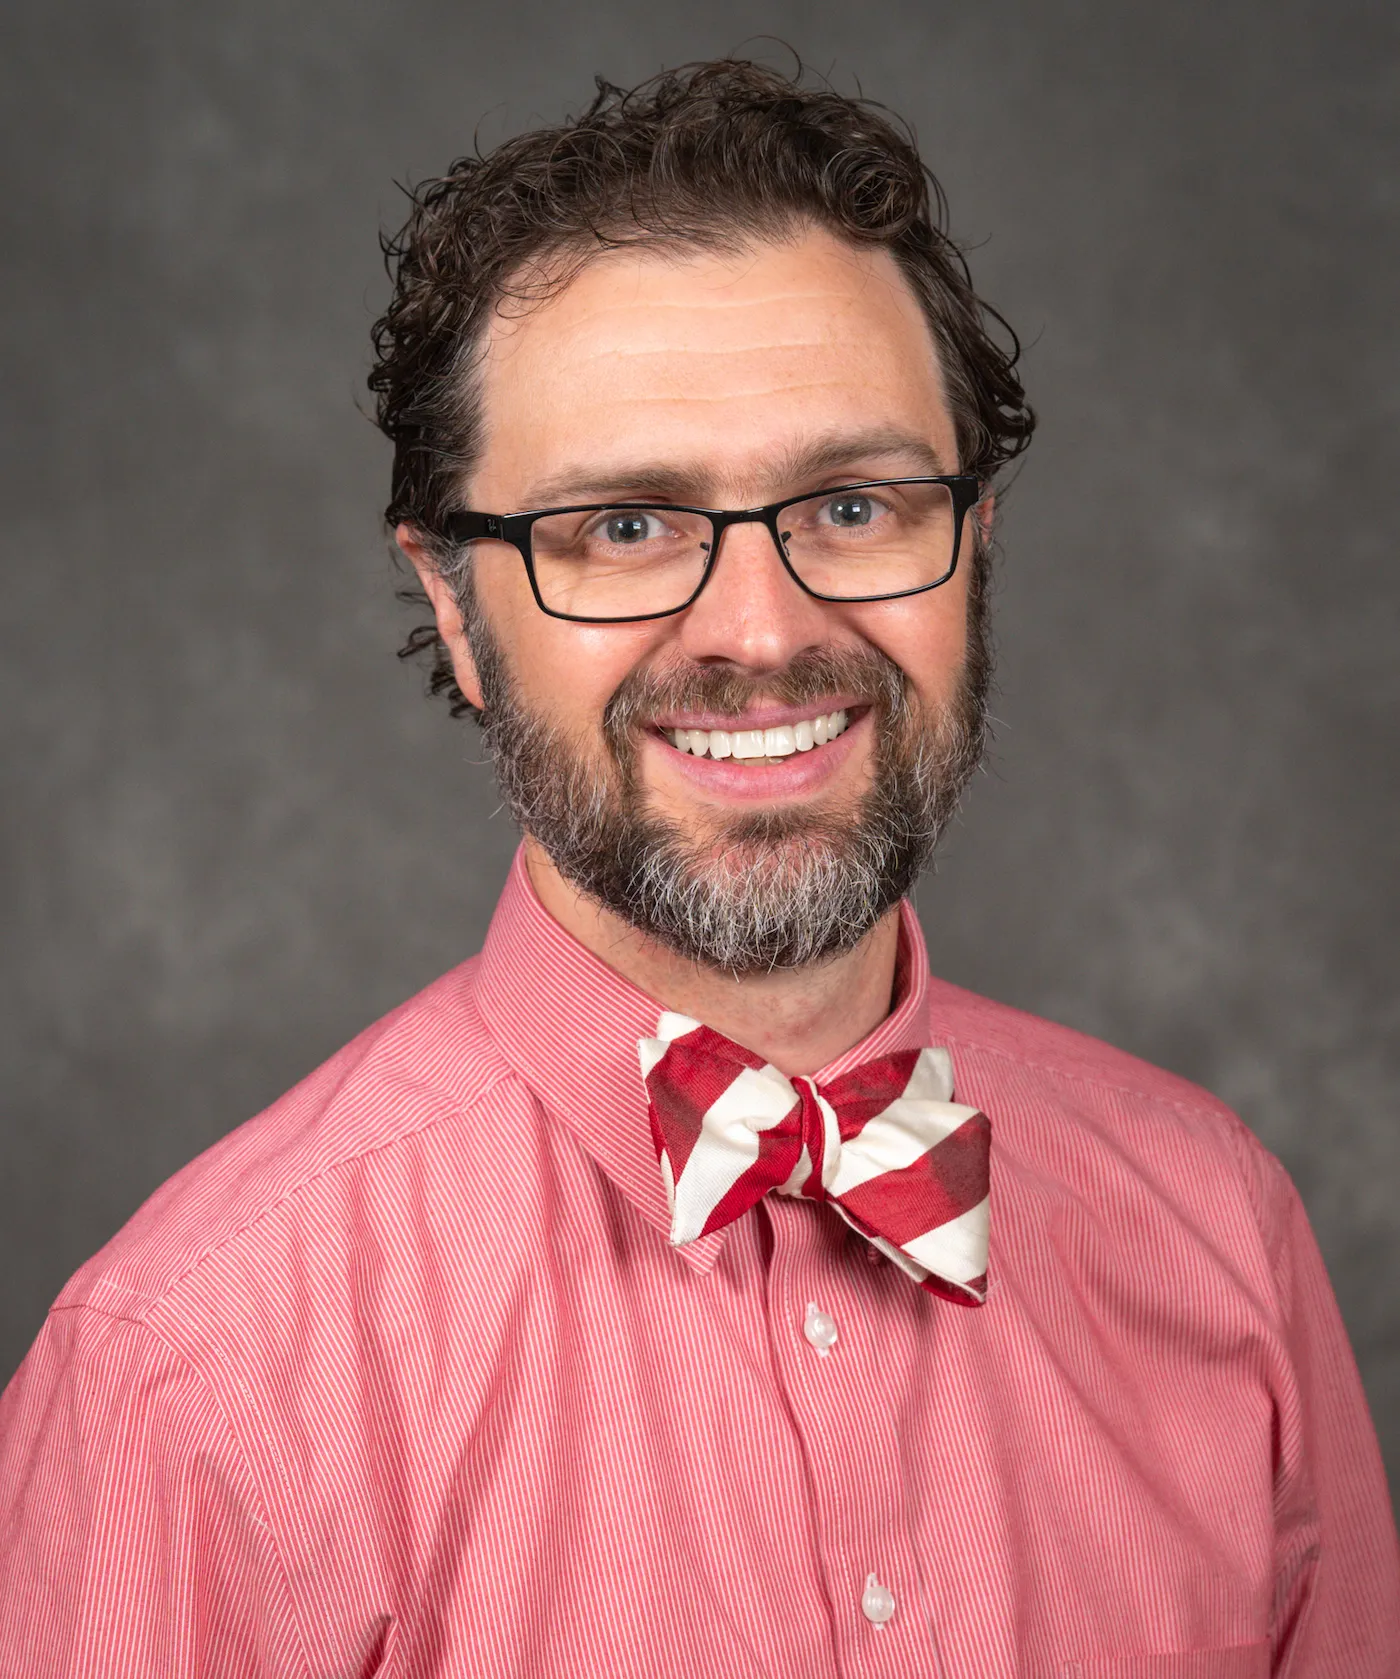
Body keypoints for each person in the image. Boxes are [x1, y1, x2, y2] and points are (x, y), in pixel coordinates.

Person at [1, 57, 1396, 1679]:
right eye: (626, 527)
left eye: (858, 502)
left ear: (978, 543)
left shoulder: (1215, 1231)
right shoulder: (194, 1371)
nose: (765, 628)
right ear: (457, 607)